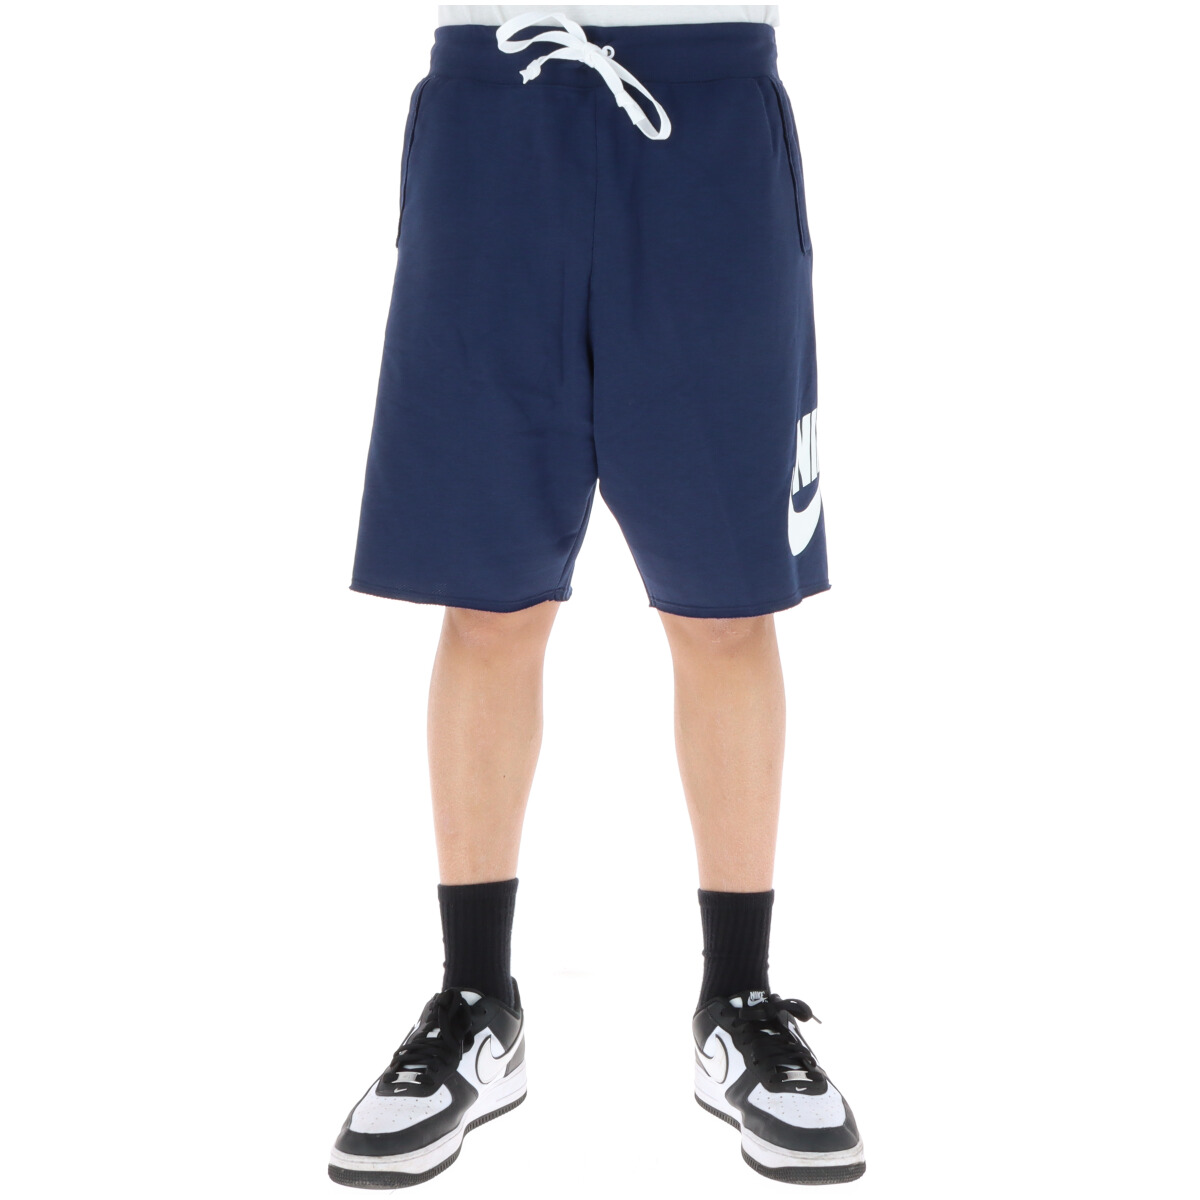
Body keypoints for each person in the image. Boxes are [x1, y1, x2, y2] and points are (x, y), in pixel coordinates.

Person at [328, 5, 865, 1188]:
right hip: (494, 103)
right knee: (486, 600)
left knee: (728, 605)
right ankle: (477, 1000)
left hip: (708, 110)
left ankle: (739, 1002)